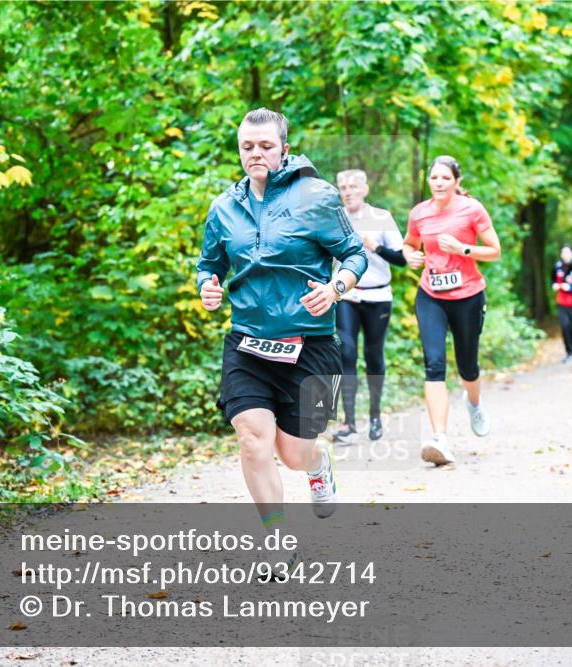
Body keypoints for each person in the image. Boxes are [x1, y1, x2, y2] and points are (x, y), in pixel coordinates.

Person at [196, 109, 368, 555]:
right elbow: (209, 265)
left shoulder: (317, 197)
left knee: (295, 453)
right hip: (248, 342)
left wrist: (335, 288)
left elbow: (354, 255)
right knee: (253, 438)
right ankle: (276, 537)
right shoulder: (223, 209)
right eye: (247, 146)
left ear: (284, 149)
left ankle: (319, 463)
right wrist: (206, 287)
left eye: (266, 146)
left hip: (310, 344)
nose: (256, 153)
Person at [402, 156, 501, 466]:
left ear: (456, 182)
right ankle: (440, 439)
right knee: (434, 364)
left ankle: (473, 402)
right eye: (434, 178)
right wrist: (409, 256)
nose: (439, 183)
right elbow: (409, 243)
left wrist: (463, 249)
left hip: (469, 295)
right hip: (431, 294)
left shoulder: (472, 209)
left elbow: (495, 251)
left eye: (445, 178)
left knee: (467, 366)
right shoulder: (419, 213)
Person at [332, 169, 406, 445]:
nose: (348, 191)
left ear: (364, 190)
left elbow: (401, 259)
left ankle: (375, 416)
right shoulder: (334, 218)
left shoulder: (381, 218)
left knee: (373, 356)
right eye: (343, 186)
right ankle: (349, 422)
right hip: (346, 295)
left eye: (353, 186)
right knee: (346, 352)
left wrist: (374, 246)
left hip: (378, 297)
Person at [551, 245, 572, 363]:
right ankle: (569, 352)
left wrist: (571, 287)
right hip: (561, 301)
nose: (565, 255)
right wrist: (554, 285)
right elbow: (552, 279)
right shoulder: (557, 266)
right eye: (563, 253)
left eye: (567, 252)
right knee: (565, 326)